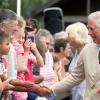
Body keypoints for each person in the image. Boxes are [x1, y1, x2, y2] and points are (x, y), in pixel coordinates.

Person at [40, 11, 100, 100]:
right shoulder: (88, 50)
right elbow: (75, 77)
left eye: (92, 29)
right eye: (88, 29)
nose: (89, 33)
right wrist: (51, 89)